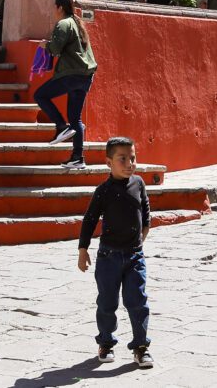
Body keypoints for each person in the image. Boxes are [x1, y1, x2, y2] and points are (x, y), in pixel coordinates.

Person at [77, 136, 153, 369]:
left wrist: (142, 238)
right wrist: (83, 250)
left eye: (133, 158)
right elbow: (89, 220)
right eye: (123, 159)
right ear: (109, 162)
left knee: (137, 301)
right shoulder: (103, 191)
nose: (130, 163)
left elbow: (146, 211)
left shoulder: (138, 183)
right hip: (108, 257)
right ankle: (106, 342)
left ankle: (141, 347)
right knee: (107, 303)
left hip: (134, 257)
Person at [34, 0, 97, 169]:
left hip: (71, 74)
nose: (53, 11)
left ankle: (61, 126)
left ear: (60, 8)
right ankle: (78, 157)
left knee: (40, 95)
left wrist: (44, 45)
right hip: (85, 76)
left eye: (54, 7)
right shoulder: (77, 24)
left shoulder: (63, 24)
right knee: (75, 119)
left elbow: (55, 49)